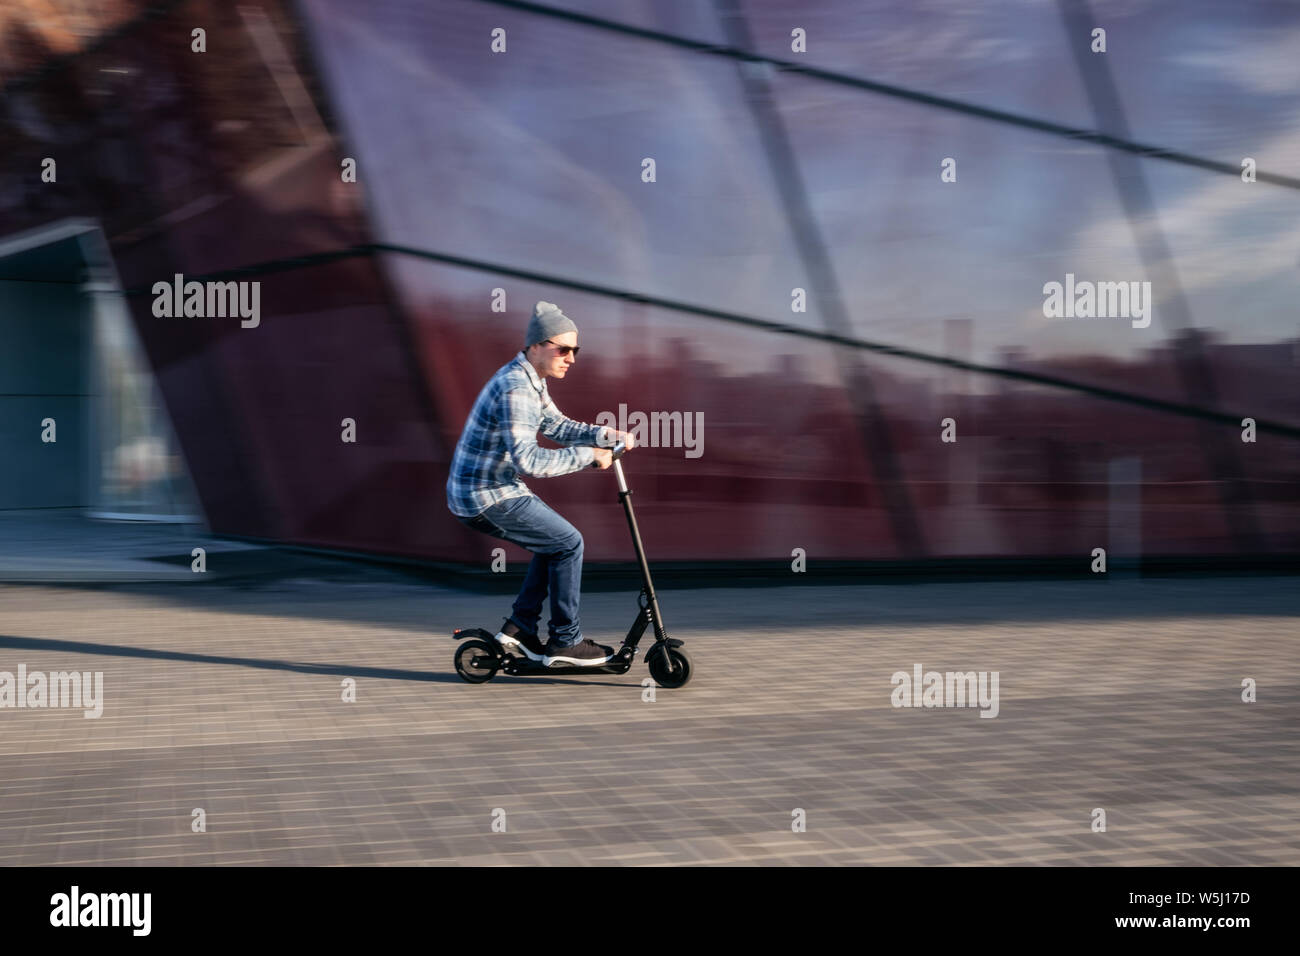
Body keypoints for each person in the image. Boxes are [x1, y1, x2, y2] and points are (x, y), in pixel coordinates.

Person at [447, 301, 636, 666]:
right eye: (563, 349)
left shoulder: (531, 381)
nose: (571, 358)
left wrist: (603, 433)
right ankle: (566, 641)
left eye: (575, 350)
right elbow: (529, 461)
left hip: (496, 487)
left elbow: (557, 425)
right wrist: (589, 455)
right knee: (568, 543)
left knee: (553, 543)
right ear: (535, 345)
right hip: (483, 497)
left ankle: (520, 628)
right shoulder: (516, 388)